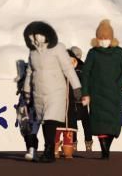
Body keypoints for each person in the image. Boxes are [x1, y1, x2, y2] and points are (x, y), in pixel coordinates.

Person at [21, 21, 82, 162]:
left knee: (50, 120)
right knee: (44, 121)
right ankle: (48, 150)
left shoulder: (58, 48)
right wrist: (26, 90)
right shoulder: (33, 51)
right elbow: (30, 72)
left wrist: (77, 87)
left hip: (56, 91)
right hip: (38, 92)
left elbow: (68, 68)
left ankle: (49, 150)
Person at [80, 20, 122, 159]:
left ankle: (106, 146)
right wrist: (85, 92)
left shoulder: (119, 52)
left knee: (113, 123)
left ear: (111, 38)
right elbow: (86, 73)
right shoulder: (93, 53)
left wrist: (118, 82)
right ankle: (104, 149)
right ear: (97, 38)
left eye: (106, 38)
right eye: (101, 38)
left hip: (114, 94)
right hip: (97, 93)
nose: (103, 40)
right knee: (99, 122)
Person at [67, 48, 92, 152]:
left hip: (72, 99)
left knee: (73, 124)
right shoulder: (85, 67)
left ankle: (74, 145)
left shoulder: (67, 67)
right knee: (86, 123)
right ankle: (88, 144)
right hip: (82, 99)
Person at [15, 60, 40, 161]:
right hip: (26, 104)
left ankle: (32, 150)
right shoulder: (23, 78)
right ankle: (31, 149)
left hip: (35, 104)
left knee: (32, 128)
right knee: (26, 128)